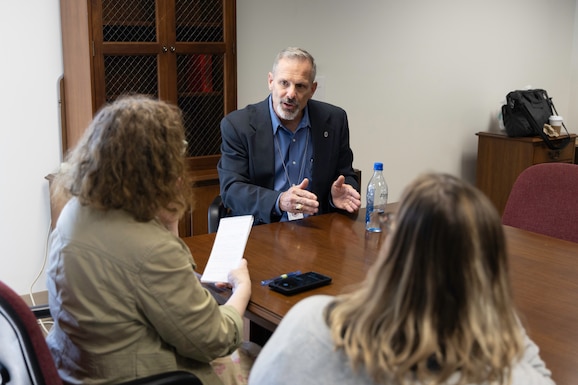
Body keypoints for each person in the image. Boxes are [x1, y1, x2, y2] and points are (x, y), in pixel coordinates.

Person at [248, 172, 555, 385]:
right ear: (488, 272)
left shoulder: (310, 322)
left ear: (391, 255)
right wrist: (492, 303)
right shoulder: (505, 376)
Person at [46, 95, 257, 385]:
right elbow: (216, 340)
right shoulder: (150, 247)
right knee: (259, 357)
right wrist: (242, 289)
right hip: (146, 377)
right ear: (158, 167)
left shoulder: (74, 211)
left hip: (75, 370)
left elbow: (138, 285)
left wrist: (167, 222)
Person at [217, 47, 361, 224]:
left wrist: (336, 195)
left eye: (300, 86)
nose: (291, 94)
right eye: (284, 83)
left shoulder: (334, 120)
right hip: (260, 228)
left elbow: (346, 175)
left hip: (315, 228)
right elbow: (232, 189)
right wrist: (279, 201)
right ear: (271, 81)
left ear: (312, 89)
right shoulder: (238, 125)